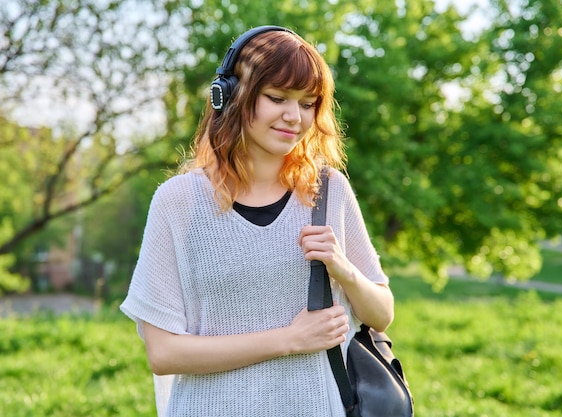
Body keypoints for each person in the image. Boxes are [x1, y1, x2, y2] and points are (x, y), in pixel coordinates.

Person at [120, 25, 395, 417]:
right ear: (229, 96)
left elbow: (383, 313)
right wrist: (289, 339)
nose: (294, 117)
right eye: (277, 97)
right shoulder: (178, 202)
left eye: (307, 102)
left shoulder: (329, 189)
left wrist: (345, 270)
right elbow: (163, 353)